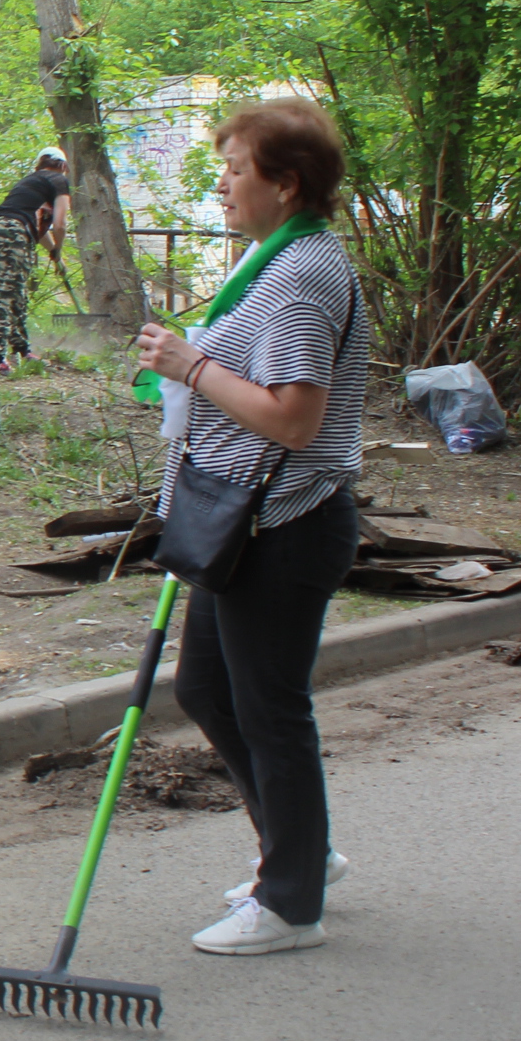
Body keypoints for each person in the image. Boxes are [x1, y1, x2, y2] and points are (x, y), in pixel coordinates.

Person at [132, 100, 367, 957]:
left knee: (269, 709)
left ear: (285, 182)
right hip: (240, 521)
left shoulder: (302, 276)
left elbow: (296, 418)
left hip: (285, 524)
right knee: (208, 689)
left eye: (236, 168)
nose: (222, 184)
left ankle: (292, 902)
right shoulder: (272, 264)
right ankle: (297, 851)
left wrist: (191, 363)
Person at [0, 148, 73, 375]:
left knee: (16, 292)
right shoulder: (58, 180)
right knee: (6, 293)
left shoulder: (31, 181)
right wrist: (59, 249)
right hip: (13, 233)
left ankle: (22, 351)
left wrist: (55, 255)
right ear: (63, 166)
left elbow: (39, 231)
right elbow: (59, 225)